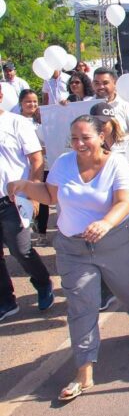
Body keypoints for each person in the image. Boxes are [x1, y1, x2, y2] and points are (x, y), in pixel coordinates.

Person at [7, 114, 129, 400]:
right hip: (73, 248)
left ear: (101, 136)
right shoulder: (63, 163)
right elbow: (50, 195)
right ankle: (84, 371)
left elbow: (126, 201)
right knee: (81, 305)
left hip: (115, 243)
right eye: (74, 138)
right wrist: (24, 185)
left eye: (86, 137)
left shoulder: (117, 163)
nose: (79, 143)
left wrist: (106, 223)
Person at [0, 87, 53, 321]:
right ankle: (6, 301)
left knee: (20, 250)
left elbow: (36, 158)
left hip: (14, 199)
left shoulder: (16, 123)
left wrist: (33, 192)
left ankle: (42, 283)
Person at [16, 90, 51, 246]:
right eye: (28, 101)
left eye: (35, 101)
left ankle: (42, 233)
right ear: (21, 104)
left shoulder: (45, 120)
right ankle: (23, 232)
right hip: (22, 168)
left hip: (43, 165)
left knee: (42, 199)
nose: (32, 104)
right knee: (22, 199)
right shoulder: (15, 121)